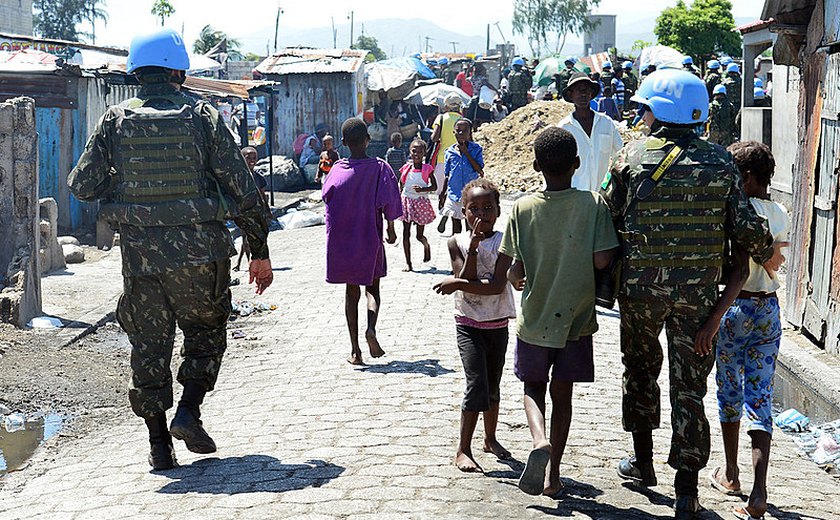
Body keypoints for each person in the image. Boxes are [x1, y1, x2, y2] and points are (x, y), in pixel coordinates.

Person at [67, 28, 273, 471]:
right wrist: (259, 249)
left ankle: (159, 446)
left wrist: (120, 188)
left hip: (142, 262)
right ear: (180, 71)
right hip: (202, 258)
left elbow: (81, 186)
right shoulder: (203, 117)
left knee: (149, 347)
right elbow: (243, 188)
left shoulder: (115, 120)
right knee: (205, 334)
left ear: (136, 73)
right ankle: (189, 412)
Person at [600, 69, 782, 519]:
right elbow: (753, 237)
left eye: (645, 108)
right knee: (689, 390)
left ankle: (642, 466)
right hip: (698, 301)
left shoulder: (631, 158)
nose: (641, 116)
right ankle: (687, 491)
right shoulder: (722, 164)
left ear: (660, 112)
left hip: (641, 296)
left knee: (640, 373)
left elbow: (604, 220)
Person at [499, 126, 618, 497]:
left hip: (535, 318)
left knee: (532, 388)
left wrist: (520, 274)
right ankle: (554, 477)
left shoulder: (523, 207)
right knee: (562, 397)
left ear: (535, 165)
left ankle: (538, 439)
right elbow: (601, 261)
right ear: (578, 164)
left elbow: (514, 271)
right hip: (576, 319)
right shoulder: (593, 204)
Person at [702, 141, 788, 520]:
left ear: (748, 178)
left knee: (729, 391)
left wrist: (714, 317)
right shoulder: (781, 212)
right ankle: (760, 491)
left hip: (735, 308)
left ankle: (732, 472)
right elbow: (776, 260)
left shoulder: (736, 210)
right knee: (761, 397)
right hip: (768, 309)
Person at [433, 178, 517, 473]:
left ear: (498, 210)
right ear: (463, 212)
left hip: (497, 323)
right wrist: (472, 250)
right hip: (468, 324)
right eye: (474, 208)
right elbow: (467, 283)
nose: (481, 214)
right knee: (476, 384)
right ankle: (463, 448)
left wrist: (456, 283)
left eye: (487, 207)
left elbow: (495, 287)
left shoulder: (505, 241)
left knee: (493, 384)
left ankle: (490, 438)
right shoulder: (456, 242)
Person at [322, 118, 402, 366]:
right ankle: (371, 329)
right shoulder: (380, 167)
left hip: (344, 240)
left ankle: (356, 351)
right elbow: (390, 199)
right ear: (368, 139)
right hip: (371, 236)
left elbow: (327, 197)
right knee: (373, 290)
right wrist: (390, 226)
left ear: (343, 143)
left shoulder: (337, 169)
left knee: (351, 293)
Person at [557, 72, 623, 192]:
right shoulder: (564, 128)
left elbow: (620, 155)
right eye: (579, 90)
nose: (583, 94)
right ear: (571, 94)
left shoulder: (606, 123)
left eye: (586, 90)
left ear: (591, 93)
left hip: (602, 195)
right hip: (575, 197)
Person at [439, 118, 484, 236]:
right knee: (456, 229)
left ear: (470, 133)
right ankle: (457, 252)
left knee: (470, 226)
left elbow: (479, 170)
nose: (461, 133)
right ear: (453, 132)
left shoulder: (476, 149)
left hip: (470, 195)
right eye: (458, 131)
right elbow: (447, 174)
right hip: (454, 193)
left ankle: (470, 251)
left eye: (464, 131)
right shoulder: (449, 152)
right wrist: (443, 193)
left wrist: (466, 152)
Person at [398, 138, 438, 271]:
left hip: (421, 203)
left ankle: (426, 245)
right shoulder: (406, 168)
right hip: (407, 201)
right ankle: (408, 263)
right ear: (410, 151)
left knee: (419, 235)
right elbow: (401, 183)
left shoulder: (427, 169)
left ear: (424, 154)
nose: (416, 154)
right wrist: (398, 195)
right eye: (414, 151)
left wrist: (422, 190)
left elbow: (434, 186)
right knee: (405, 233)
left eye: (420, 152)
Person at [235, 147, 270, 271]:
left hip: (258, 213)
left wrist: (267, 211)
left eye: (254, 158)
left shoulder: (259, 177)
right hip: (245, 213)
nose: (251, 160)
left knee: (259, 238)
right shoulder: (238, 177)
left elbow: (263, 195)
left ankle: (256, 260)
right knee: (246, 238)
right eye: (248, 157)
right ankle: (247, 262)